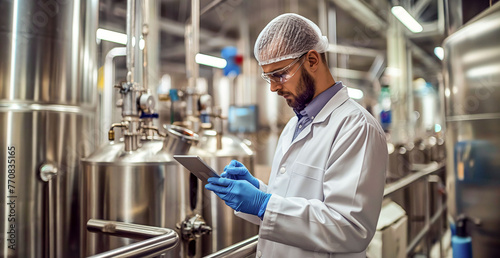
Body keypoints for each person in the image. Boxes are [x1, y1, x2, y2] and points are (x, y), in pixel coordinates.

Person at [205, 13, 388, 258]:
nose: (273, 87)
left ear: (312, 60)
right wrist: (260, 191)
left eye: (279, 74)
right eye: (268, 77)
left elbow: (350, 228)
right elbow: (295, 200)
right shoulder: (294, 126)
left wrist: (263, 205)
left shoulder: (355, 127)